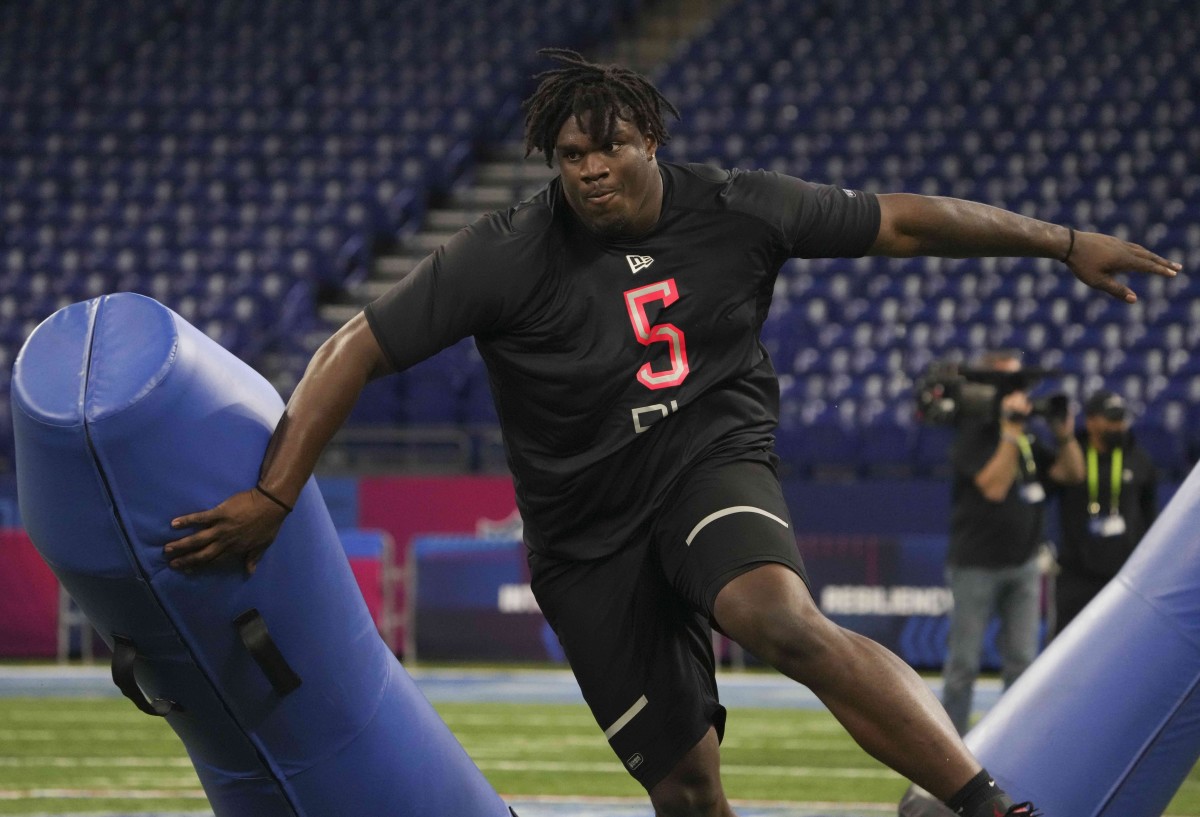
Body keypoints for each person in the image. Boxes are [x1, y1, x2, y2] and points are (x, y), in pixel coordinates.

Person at [163, 49, 1180, 817]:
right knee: (687, 791)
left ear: (649, 136)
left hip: (705, 460)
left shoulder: (739, 206)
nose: (591, 169)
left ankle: (982, 804)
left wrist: (1063, 242)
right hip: (582, 534)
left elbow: (904, 221)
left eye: (609, 146)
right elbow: (355, 346)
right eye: (572, 156)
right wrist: (276, 492)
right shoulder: (506, 250)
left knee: (778, 617)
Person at [939, 350, 1085, 737]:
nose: (1019, 394)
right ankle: (949, 747)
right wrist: (1009, 432)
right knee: (963, 665)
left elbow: (1072, 473)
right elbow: (994, 487)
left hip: (1023, 564)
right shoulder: (973, 433)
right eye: (1011, 385)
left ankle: (1012, 743)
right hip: (975, 565)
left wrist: (1065, 435)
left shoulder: (1028, 437)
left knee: (1021, 662)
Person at [1051, 389, 1158, 636]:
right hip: (1077, 574)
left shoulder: (1139, 459)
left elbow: (1150, 516)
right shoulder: (1073, 456)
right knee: (1069, 642)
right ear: (1090, 421)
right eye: (1111, 419)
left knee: (1125, 642)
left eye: (1121, 419)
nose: (1118, 426)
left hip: (1125, 576)